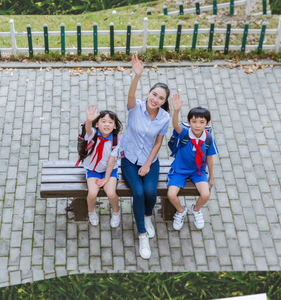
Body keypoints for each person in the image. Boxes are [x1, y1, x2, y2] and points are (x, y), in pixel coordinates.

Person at [120, 55, 171, 259]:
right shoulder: (136, 108)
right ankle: (142, 234)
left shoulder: (164, 118)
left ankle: (147, 215)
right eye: (154, 94)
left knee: (151, 192)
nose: (155, 99)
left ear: (164, 102)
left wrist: (149, 164)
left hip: (150, 161)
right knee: (138, 193)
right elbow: (131, 95)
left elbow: (158, 142)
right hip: (129, 159)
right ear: (149, 93)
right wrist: (137, 75)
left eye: (160, 98)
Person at [167, 97, 218, 231]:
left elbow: (210, 158)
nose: (197, 125)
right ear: (189, 122)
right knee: (171, 194)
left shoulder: (208, 138)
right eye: (194, 121)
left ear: (207, 123)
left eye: (202, 122)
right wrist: (176, 111)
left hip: (198, 171)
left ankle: (196, 210)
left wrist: (211, 177)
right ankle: (180, 211)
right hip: (179, 170)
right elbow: (175, 125)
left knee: (206, 194)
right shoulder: (185, 133)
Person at [81, 105, 123, 228]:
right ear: (97, 124)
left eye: (110, 122)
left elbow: (111, 160)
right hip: (92, 169)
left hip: (109, 170)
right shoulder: (92, 134)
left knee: (110, 193)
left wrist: (106, 178)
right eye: (103, 121)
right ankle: (91, 211)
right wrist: (89, 120)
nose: (107, 124)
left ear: (114, 126)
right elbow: (88, 129)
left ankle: (116, 211)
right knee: (92, 193)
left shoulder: (115, 141)